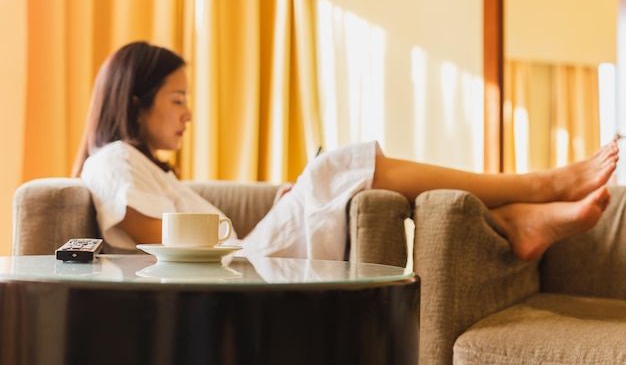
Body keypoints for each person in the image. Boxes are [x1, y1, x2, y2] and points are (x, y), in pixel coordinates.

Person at [72, 41, 620, 262]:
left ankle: (512, 219)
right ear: (137, 102)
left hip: (239, 262)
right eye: (177, 99)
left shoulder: (145, 167)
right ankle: (539, 186)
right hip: (233, 277)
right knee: (337, 165)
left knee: (333, 174)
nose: (188, 113)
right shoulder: (112, 162)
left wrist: (279, 211)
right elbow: (165, 249)